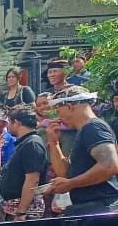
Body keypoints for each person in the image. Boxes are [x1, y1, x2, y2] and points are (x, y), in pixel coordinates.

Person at [46, 86, 118, 215]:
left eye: (58, 111)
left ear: (69, 106)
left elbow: (110, 166)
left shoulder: (93, 127)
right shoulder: (83, 131)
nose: (58, 117)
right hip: (90, 208)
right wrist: (54, 142)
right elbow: (64, 173)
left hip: (101, 208)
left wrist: (71, 184)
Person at [0, 106, 49, 222]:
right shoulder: (25, 143)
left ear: (16, 122)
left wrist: (21, 211)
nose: (7, 126)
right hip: (12, 207)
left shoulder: (32, 144)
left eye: (9, 122)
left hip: (25, 211)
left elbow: (32, 180)